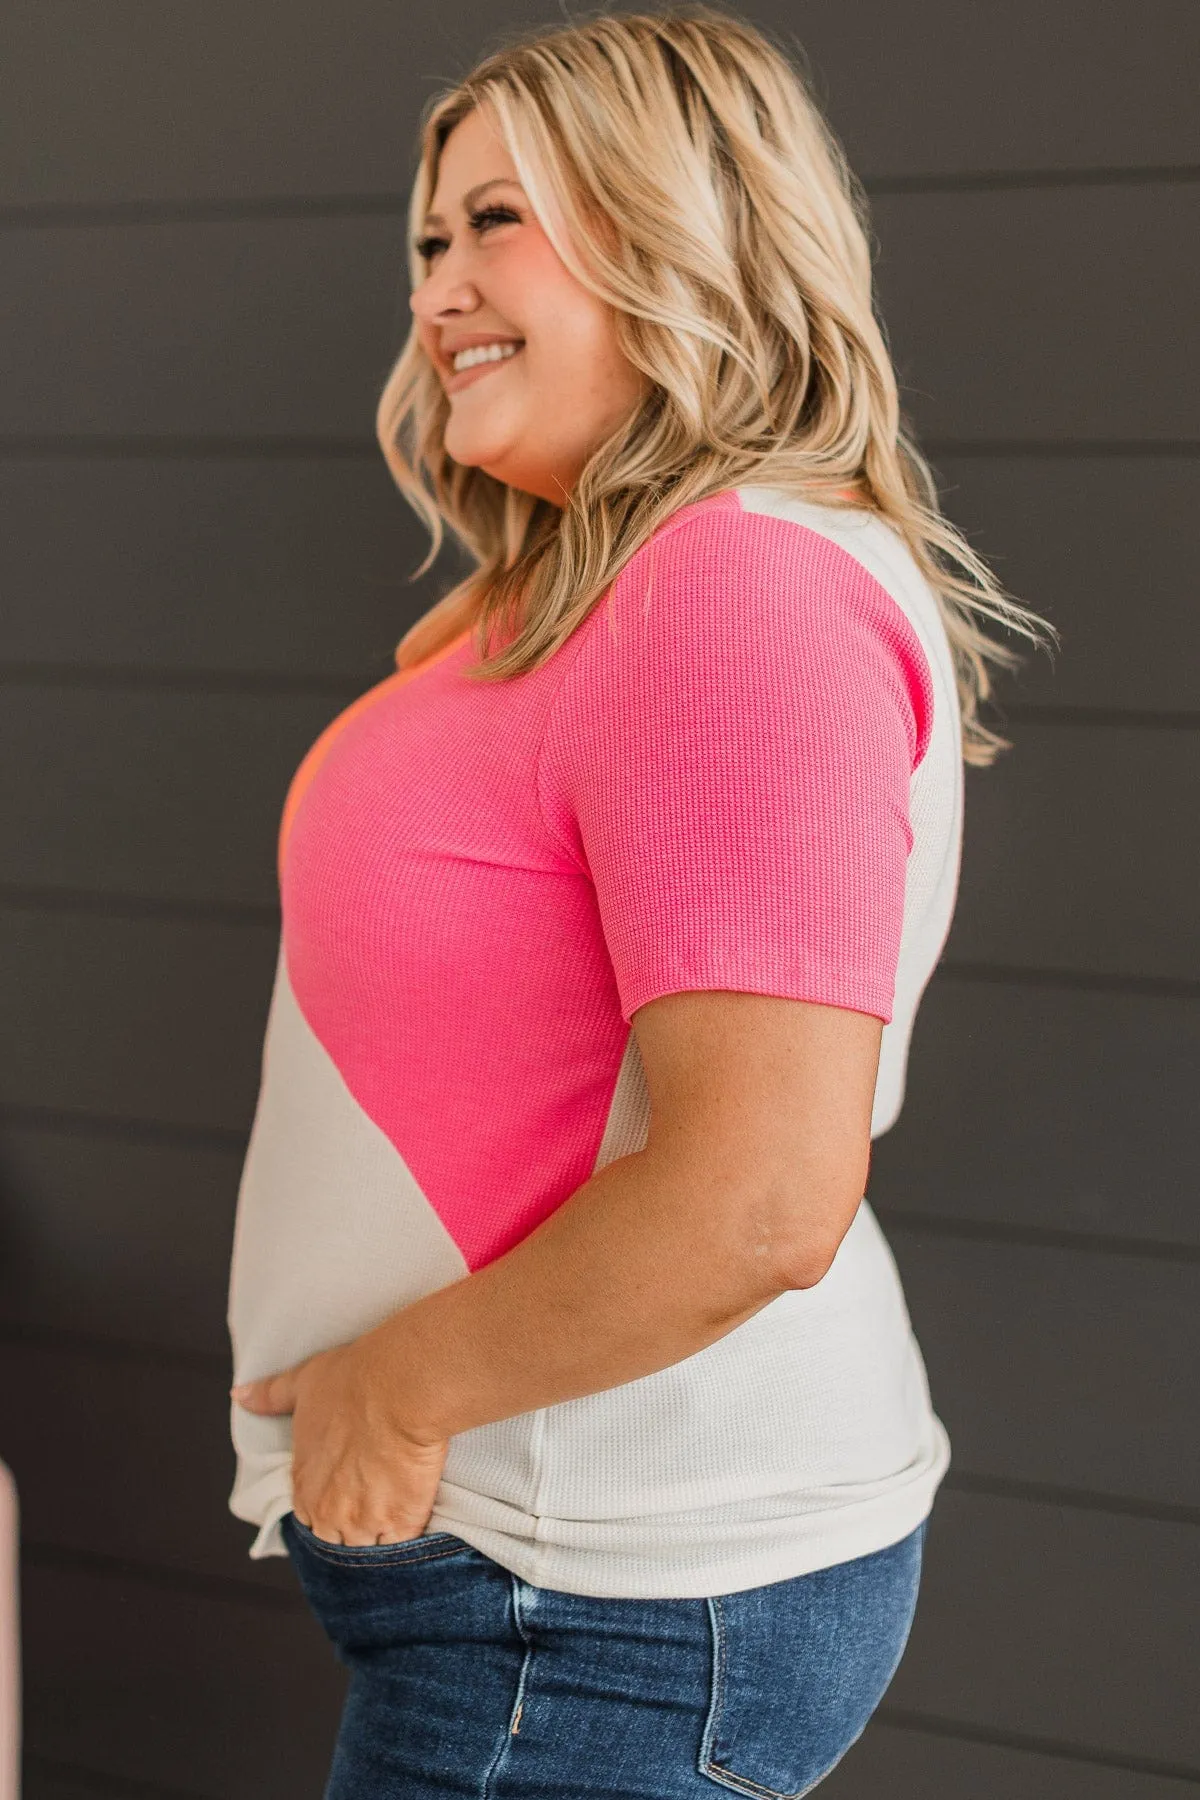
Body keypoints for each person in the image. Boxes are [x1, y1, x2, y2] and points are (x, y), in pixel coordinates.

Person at [227, 6, 1058, 1794]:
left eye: (500, 220)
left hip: (594, 1599)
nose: (440, 282)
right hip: (548, 1580)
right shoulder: (631, 583)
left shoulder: (735, 590)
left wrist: (404, 1388)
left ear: (681, 224)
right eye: (429, 239)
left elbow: (760, 1196)